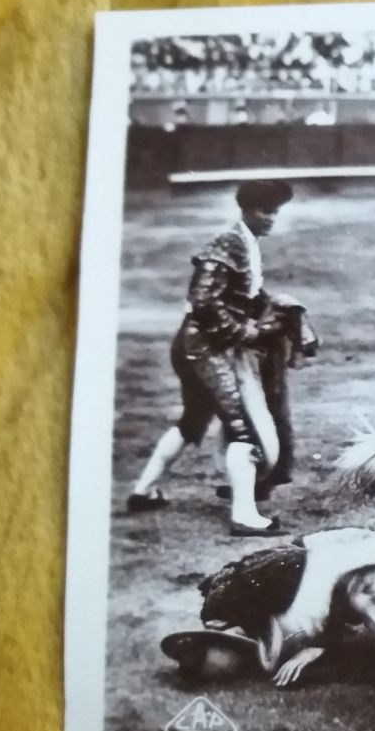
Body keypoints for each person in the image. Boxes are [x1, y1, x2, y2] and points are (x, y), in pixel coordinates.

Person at [125, 179, 314, 536]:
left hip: (196, 345)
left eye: (275, 212)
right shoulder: (229, 243)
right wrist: (247, 333)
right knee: (244, 427)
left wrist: (279, 307)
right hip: (203, 348)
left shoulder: (245, 243)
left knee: (193, 420)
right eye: (266, 211)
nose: (272, 219)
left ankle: (143, 491)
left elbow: (242, 296)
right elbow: (204, 302)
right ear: (246, 210)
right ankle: (244, 515)